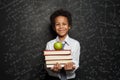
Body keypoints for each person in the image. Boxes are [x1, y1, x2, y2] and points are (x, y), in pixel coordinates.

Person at [44, 9, 80, 80]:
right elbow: (47, 64)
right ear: (54, 27)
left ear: (69, 26)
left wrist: (70, 69)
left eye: (64, 24)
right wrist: (52, 69)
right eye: (57, 24)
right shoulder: (49, 44)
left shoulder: (75, 44)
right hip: (53, 78)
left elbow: (76, 63)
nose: (61, 27)